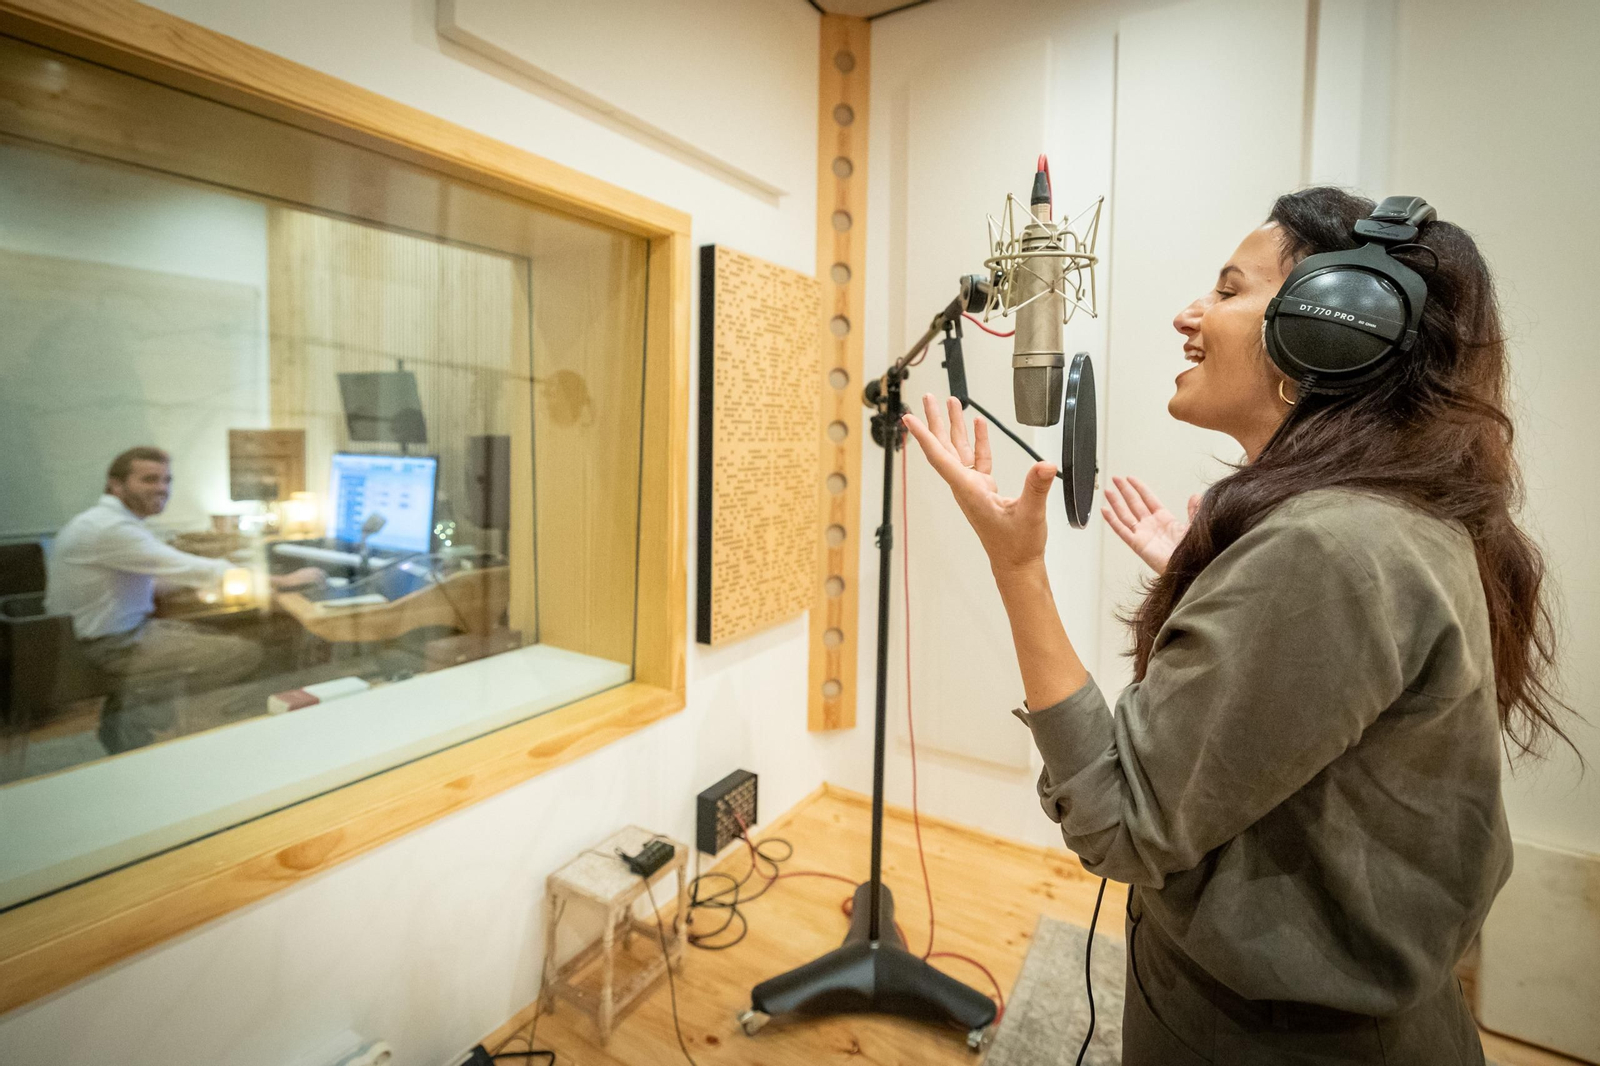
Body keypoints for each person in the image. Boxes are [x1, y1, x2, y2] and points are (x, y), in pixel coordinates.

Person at [903, 188, 1574, 1064]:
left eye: (1226, 290)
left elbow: (1119, 821)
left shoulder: (1331, 549)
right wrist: (1226, 582)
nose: (1189, 314)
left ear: (1332, 326)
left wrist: (1018, 567)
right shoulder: (1381, 522)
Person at [45, 446, 325, 753]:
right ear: (115, 484)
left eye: (167, 480)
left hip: (108, 634)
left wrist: (190, 585)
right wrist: (284, 580)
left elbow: (147, 579)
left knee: (209, 634)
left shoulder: (105, 523)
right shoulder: (109, 529)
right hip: (111, 644)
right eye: (150, 479)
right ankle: (136, 719)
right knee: (242, 653)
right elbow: (191, 568)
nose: (162, 488)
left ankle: (129, 714)